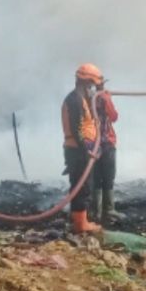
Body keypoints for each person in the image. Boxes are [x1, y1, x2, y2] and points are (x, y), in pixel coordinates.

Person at [62, 63, 103, 233]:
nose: (93, 88)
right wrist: (86, 150)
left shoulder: (80, 98)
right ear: (86, 82)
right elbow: (77, 128)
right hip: (78, 150)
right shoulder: (75, 100)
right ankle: (81, 224)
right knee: (82, 186)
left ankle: (79, 220)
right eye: (92, 84)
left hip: (80, 148)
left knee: (80, 185)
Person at [90, 78, 124, 223]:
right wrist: (108, 99)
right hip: (106, 143)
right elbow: (114, 117)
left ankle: (95, 212)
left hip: (92, 144)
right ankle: (108, 210)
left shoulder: (87, 98)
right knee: (108, 177)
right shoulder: (103, 97)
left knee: (96, 177)